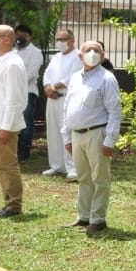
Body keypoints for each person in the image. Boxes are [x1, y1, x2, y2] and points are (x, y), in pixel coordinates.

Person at [60, 41, 122, 235]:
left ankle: (98, 218)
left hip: (97, 134)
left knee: (100, 178)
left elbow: (114, 111)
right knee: (84, 177)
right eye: (88, 50)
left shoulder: (107, 78)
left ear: (103, 56)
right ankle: (84, 216)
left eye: (97, 51)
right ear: (80, 55)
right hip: (77, 134)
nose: (93, 53)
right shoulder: (75, 78)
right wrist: (67, 136)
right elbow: (67, 107)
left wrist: (110, 140)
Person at [0, 25, 28, 218]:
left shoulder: (13, 64)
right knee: (0, 164)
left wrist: (6, 127)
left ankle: (13, 205)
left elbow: (14, 99)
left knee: (7, 165)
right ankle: (8, 200)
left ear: (7, 40)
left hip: (3, 125)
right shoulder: (1, 61)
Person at [41, 28, 83, 180]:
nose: (60, 42)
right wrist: (47, 87)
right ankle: (56, 165)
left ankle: (72, 167)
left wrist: (54, 87)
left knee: (68, 132)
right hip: (52, 98)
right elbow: (47, 73)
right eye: (58, 39)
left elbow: (72, 77)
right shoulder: (56, 57)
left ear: (72, 41)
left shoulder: (78, 56)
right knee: (53, 131)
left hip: (67, 97)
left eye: (63, 39)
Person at [13, 24, 43, 161]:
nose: (20, 38)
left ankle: (24, 151)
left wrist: (13, 82)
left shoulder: (35, 52)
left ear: (30, 37)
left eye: (24, 35)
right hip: (11, 92)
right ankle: (14, 149)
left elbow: (31, 74)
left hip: (27, 92)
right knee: (13, 121)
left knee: (26, 121)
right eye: (18, 35)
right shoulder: (13, 51)